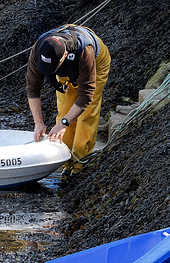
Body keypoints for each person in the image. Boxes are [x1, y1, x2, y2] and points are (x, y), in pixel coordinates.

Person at [26, 24, 110, 174]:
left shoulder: (86, 52)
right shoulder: (38, 50)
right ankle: (66, 162)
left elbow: (86, 96)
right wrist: (38, 123)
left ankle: (80, 165)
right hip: (67, 68)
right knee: (65, 110)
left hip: (95, 63)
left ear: (63, 56)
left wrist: (64, 123)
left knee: (86, 116)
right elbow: (33, 88)